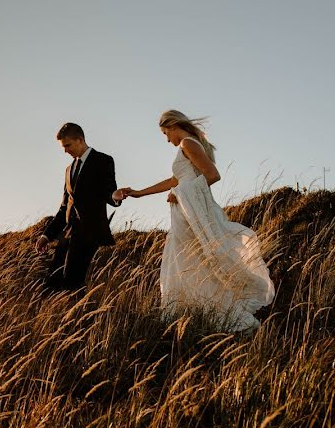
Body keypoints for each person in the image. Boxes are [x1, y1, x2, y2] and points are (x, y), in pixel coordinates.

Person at [118, 110, 275, 330]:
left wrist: (179, 192)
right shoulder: (187, 146)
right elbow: (175, 179)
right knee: (188, 261)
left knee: (194, 260)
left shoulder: (188, 144)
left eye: (166, 133)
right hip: (185, 212)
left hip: (190, 212)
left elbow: (212, 175)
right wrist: (139, 193)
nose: (167, 139)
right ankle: (195, 311)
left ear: (173, 126)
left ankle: (214, 310)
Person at [36, 122, 124, 290]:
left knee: (72, 283)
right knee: (52, 283)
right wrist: (47, 235)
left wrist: (115, 197)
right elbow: (64, 208)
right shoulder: (69, 170)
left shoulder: (103, 160)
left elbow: (109, 191)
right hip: (68, 234)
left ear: (80, 139)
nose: (65, 150)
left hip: (90, 233)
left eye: (67, 145)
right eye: (63, 147)